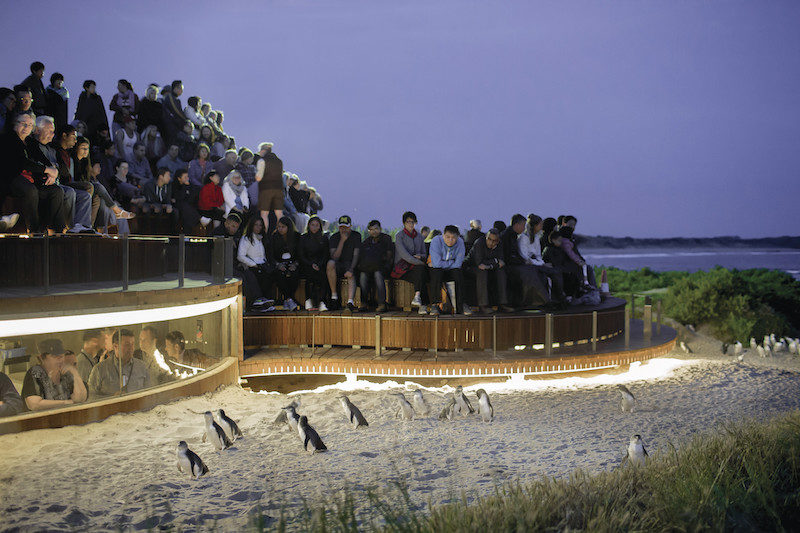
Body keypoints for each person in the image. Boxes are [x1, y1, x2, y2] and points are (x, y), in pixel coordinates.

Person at [0, 113, 64, 233]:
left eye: (29, 125)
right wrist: (47, 170)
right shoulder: (8, 139)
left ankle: (55, 230)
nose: (26, 127)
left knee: (57, 191)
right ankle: (34, 230)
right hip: (11, 179)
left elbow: (42, 158)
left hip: (32, 180)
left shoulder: (30, 141)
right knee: (31, 190)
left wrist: (53, 170)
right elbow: (21, 162)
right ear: (15, 124)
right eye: (23, 124)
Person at [500, 213, 552, 308]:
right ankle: (542, 300)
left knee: (535, 272)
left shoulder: (513, 235)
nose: (524, 228)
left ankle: (541, 300)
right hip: (510, 266)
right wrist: (523, 262)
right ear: (517, 225)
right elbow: (509, 256)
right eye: (523, 225)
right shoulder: (508, 236)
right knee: (529, 272)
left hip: (517, 263)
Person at [22, 339, 87, 411]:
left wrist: (75, 374)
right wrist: (65, 403)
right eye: (55, 356)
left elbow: (80, 399)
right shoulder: (35, 372)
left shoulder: (66, 374)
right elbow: (34, 404)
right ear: (42, 358)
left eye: (62, 356)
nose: (60, 360)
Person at [87, 329, 151, 397]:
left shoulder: (142, 367)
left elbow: (149, 393)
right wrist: (111, 398)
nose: (131, 348)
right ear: (115, 346)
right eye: (127, 345)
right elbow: (90, 397)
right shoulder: (100, 369)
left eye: (132, 344)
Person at [519, 214, 566, 305]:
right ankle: (548, 300)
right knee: (547, 275)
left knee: (556, 271)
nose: (541, 227)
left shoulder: (536, 237)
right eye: (540, 225)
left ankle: (559, 297)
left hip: (537, 263)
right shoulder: (523, 238)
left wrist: (541, 263)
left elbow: (538, 255)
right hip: (528, 265)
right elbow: (525, 257)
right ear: (534, 226)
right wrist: (540, 264)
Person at [464, 228, 514, 314]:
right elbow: (479, 263)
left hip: (489, 267)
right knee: (482, 272)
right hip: (472, 267)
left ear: (497, 241)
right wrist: (495, 261)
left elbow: (501, 261)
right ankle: (483, 305)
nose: (491, 243)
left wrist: (490, 264)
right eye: (489, 239)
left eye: (494, 240)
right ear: (486, 237)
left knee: (501, 271)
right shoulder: (479, 242)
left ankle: (502, 303)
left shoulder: (500, 244)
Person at [428, 225, 470, 315]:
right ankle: (435, 305)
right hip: (438, 270)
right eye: (448, 237)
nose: (450, 240)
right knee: (436, 272)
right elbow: (436, 264)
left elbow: (458, 264)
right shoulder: (436, 241)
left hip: (452, 270)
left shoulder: (460, 242)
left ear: (457, 237)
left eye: (453, 238)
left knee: (459, 273)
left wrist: (445, 262)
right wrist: (451, 262)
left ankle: (461, 305)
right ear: (443, 235)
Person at [393, 211, 428, 314]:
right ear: (404, 223)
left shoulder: (419, 237)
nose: (411, 224)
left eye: (413, 222)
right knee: (422, 273)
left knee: (421, 274)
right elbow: (404, 255)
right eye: (408, 222)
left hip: (416, 268)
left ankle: (418, 297)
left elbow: (424, 254)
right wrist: (419, 262)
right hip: (402, 268)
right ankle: (424, 305)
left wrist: (420, 256)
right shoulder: (399, 236)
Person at [327, 215, 361, 312]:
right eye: (341, 227)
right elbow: (334, 257)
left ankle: (350, 302)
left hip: (351, 263)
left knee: (351, 273)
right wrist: (342, 241)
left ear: (350, 226)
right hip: (339, 264)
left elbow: (356, 255)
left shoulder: (356, 235)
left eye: (346, 227)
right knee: (330, 263)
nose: (344, 229)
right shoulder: (334, 237)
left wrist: (351, 269)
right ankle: (334, 297)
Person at [358, 220, 393, 312]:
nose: (374, 231)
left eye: (376, 229)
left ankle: (382, 303)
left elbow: (389, 255)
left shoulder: (386, 239)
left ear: (380, 229)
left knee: (378, 274)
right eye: (371, 229)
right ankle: (364, 303)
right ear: (369, 231)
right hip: (369, 267)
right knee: (362, 275)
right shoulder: (366, 242)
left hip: (383, 266)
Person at [237, 216, 274, 303]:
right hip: (253, 266)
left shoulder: (262, 238)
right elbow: (240, 256)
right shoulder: (246, 238)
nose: (258, 227)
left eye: (260, 225)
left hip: (263, 265)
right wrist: (253, 264)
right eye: (256, 225)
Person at [298, 215, 330, 311]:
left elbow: (326, 254)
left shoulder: (324, 238)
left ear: (320, 226)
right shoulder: (303, 238)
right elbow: (301, 255)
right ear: (309, 226)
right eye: (312, 225)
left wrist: (319, 264)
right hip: (306, 264)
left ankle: (322, 301)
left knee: (323, 276)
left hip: (320, 264)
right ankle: (308, 301)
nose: (314, 227)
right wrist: (310, 264)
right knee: (309, 276)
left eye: (317, 225)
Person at [271, 215, 300, 311]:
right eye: (279, 227)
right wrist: (278, 265)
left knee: (295, 274)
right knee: (279, 274)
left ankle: (288, 299)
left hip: (293, 262)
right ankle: (289, 299)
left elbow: (300, 254)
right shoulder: (274, 237)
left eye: (283, 227)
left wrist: (295, 264)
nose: (280, 229)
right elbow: (271, 255)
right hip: (279, 263)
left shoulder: (296, 236)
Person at [254, 142, 284, 232]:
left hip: (266, 189)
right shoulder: (279, 161)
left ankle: (265, 233)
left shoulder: (262, 161)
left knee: (264, 213)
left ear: (263, 151)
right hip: (279, 189)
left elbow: (259, 177)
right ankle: (281, 231)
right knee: (279, 213)